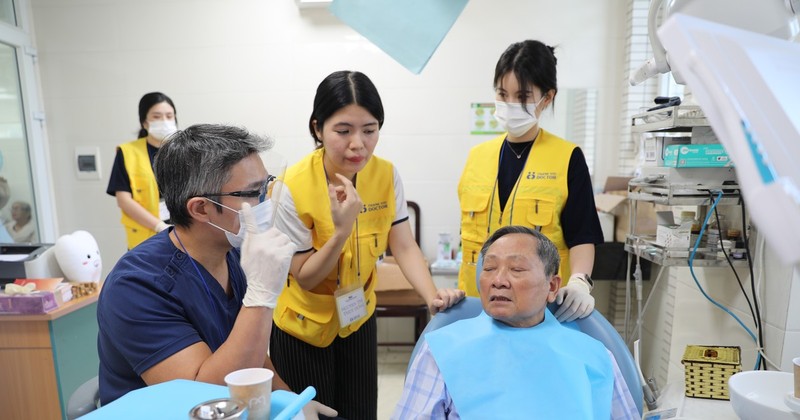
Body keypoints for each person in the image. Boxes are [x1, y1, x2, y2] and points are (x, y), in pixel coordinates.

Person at [96, 124, 337, 418]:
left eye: (267, 185)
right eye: (252, 192)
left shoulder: (233, 253)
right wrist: (260, 297)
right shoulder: (136, 286)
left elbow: (254, 354)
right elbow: (201, 398)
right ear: (200, 209)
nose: (266, 201)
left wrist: (289, 400)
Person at [271, 70, 465, 419]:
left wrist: (431, 295)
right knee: (314, 415)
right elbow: (305, 276)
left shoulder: (386, 175)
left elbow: (403, 245)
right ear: (318, 128)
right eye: (343, 131)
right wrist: (341, 232)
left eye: (370, 130)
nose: (357, 144)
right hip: (304, 326)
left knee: (361, 414)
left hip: (357, 317)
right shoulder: (292, 186)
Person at [393, 225, 639, 419]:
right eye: (489, 268)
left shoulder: (595, 355)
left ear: (552, 286)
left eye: (517, 269)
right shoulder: (442, 349)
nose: (498, 280)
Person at [457, 40, 603, 322]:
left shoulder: (566, 157)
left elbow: (583, 235)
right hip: (479, 308)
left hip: (540, 311)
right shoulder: (477, 157)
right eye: (502, 93)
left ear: (546, 98)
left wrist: (580, 281)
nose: (510, 104)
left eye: (522, 96)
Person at [106, 92, 179, 249]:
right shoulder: (127, 152)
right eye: (156, 117)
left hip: (183, 234)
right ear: (144, 122)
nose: (164, 121)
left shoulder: (184, 150)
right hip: (146, 237)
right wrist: (159, 226)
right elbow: (124, 200)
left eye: (169, 116)